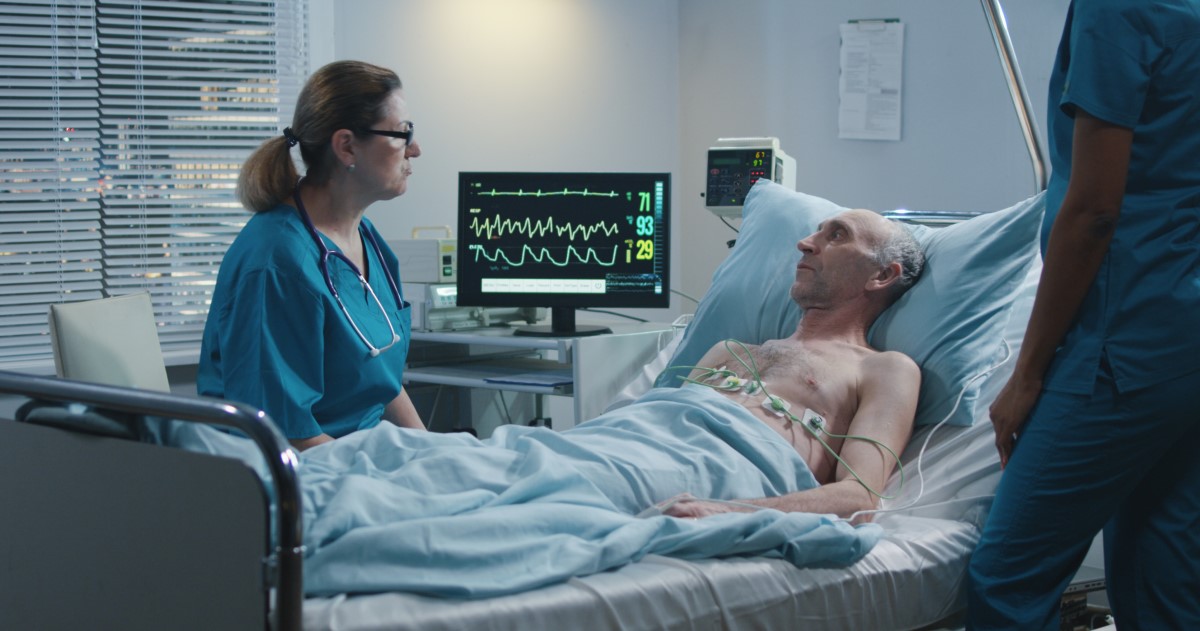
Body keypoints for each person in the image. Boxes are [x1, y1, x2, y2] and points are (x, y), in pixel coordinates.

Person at [968, 2, 1200, 629]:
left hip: (1122, 341)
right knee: (1164, 576)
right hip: (1182, 334)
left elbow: (1095, 208)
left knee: (1007, 579)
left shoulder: (1117, 9)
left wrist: (1027, 376)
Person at [198, 60, 427, 451]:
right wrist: (390, 476)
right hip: (301, 472)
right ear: (347, 146)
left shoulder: (365, 238)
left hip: (362, 455)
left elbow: (381, 381)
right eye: (402, 135)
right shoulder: (276, 264)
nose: (416, 150)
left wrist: (431, 452)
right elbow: (283, 434)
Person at [660, 208, 925, 520]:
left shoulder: (883, 369)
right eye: (817, 231)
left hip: (701, 483)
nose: (805, 243)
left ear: (881, 275)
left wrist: (726, 511)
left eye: (837, 235)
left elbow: (859, 497)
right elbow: (665, 426)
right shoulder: (728, 351)